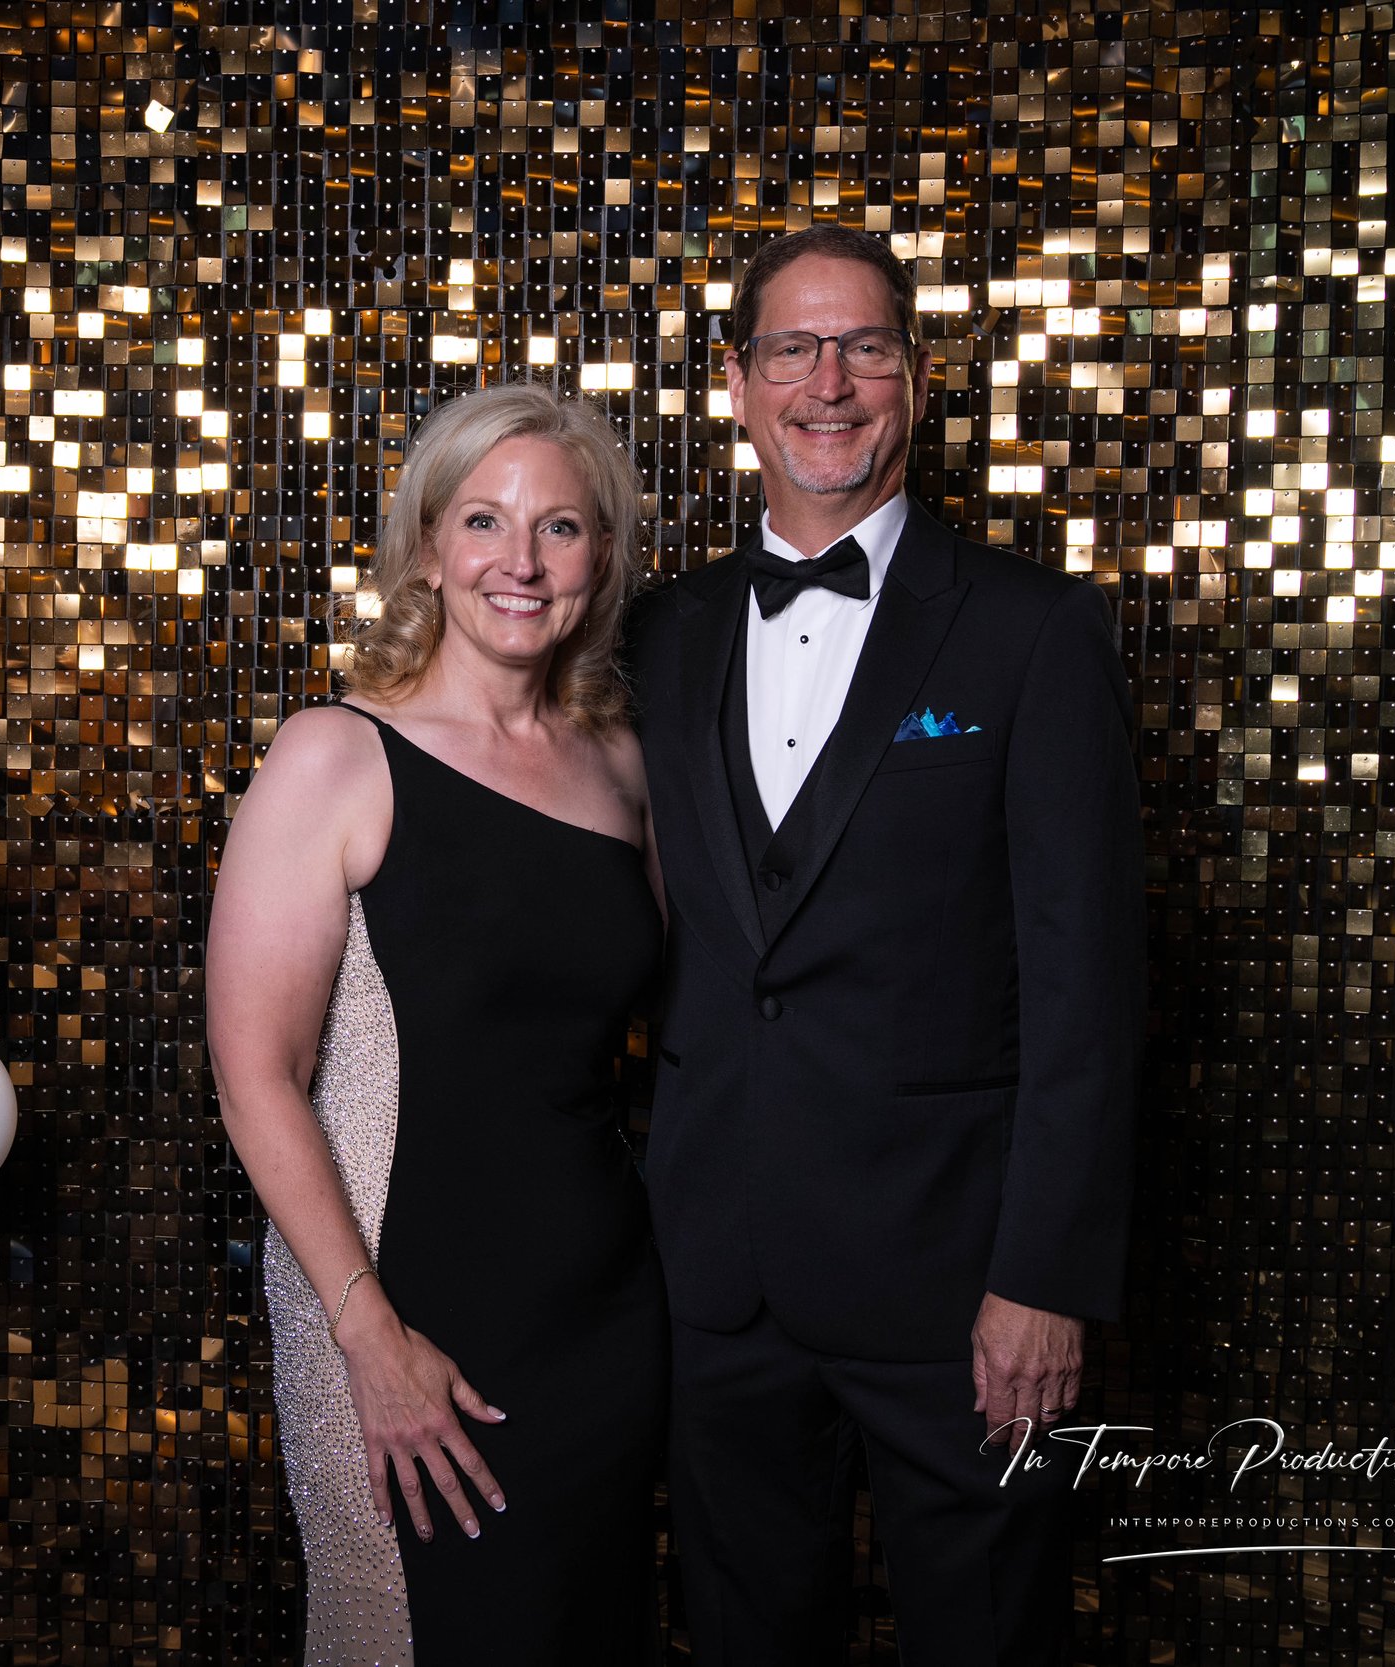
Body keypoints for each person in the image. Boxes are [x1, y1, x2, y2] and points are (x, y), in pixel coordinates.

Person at [625, 224, 1144, 1662]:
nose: (828, 383)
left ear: (914, 378)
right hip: (717, 1278)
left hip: (959, 1288)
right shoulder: (657, 634)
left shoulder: (1033, 631)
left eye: (863, 347)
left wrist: (1046, 1277)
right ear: (738, 384)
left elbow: (1088, 988)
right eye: (792, 348)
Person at [208, 383, 665, 1666]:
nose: (520, 560)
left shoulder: (623, 766)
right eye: (482, 520)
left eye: (559, 527)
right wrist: (367, 1331)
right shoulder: (334, 755)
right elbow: (255, 1074)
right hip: (398, 1302)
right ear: (426, 549)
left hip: (603, 1308)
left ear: (601, 559)